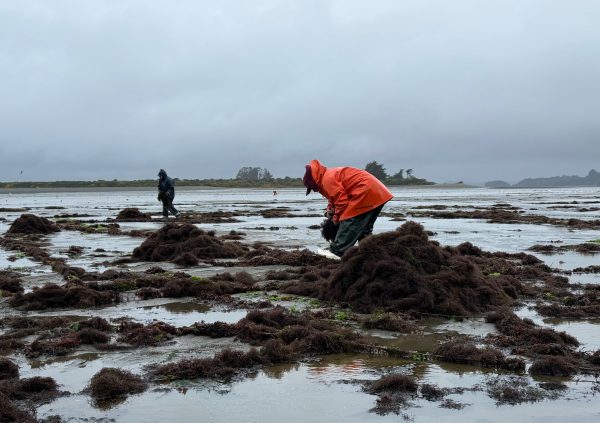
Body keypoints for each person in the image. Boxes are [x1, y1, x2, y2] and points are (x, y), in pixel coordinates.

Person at [303, 159, 393, 258]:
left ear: (313, 182)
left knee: (351, 221)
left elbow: (341, 203)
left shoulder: (326, 180)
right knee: (364, 228)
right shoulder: (327, 176)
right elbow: (334, 198)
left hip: (364, 191)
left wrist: (336, 219)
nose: (314, 190)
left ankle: (337, 252)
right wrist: (330, 210)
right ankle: (370, 253)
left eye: (312, 188)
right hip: (378, 193)